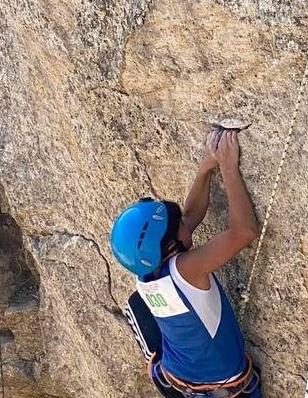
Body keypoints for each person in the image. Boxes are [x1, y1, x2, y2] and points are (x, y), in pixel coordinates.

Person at [111, 129, 262, 398]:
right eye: (179, 224)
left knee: (141, 305)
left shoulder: (145, 269)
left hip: (176, 378)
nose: (186, 222)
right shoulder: (186, 269)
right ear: (170, 246)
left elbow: (189, 217)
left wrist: (207, 166)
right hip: (220, 389)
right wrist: (228, 168)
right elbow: (244, 232)